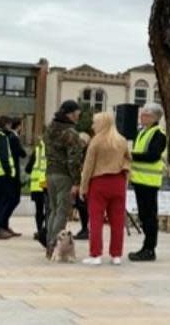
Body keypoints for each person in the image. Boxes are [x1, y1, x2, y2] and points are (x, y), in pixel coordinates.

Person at [79, 112, 131, 266]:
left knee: (96, 220)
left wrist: (83, 187)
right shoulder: (121, 141)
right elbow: (128, 160)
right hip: (118, 182)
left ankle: (96, 254)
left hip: (99, 182)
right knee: (117, 220)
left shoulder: (96, 142)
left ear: (101, 124)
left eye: (95, 123)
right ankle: (116, 255)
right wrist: (125, 176)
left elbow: (88, 167)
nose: (92, 126)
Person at [128, 103, 167, 262]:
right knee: (144, 216)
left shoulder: (159, 134)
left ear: (153, 117)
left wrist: (132, 156)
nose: (140, 117)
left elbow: (153, 156)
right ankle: (146, 246)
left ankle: (150, 248)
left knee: (149, 216)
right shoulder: (142, 132)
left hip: (150, 182)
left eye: (144, 114)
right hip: (139, 180)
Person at [45, 101, 83, 258]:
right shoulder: (71, 133)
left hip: (50, 173)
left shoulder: (50, 128)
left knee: (53, 210)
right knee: (62, 212)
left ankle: (49, 243)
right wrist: (77, 181)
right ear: (71, 114)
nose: (78, 118)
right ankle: (55, 245)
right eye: (77, 115)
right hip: (64, 176)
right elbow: (73, 160)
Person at [4, 118, 26, 237]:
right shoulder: (13, 138)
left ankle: (5, 223)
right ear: (18, 126)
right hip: (13, 172)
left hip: (12, 171)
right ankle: (4, 223)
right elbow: (22, 153)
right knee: (13, 198)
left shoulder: (9, 137)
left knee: (12, 199)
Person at [25, 137, 49, 247]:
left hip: (36, 184)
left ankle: (39, 230)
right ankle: (47, 231)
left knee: (39, 210)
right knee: (49, 209)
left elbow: (28, 169)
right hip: (47, 183)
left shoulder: (38, 150)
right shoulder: (54, 149)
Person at [72, 132, 92, 241]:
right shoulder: (80, 151)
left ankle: (86, 229)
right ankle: (84, 228)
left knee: (83, 206)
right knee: (80, 206)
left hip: (84, 182)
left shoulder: (87, 152)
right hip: (80, 181)